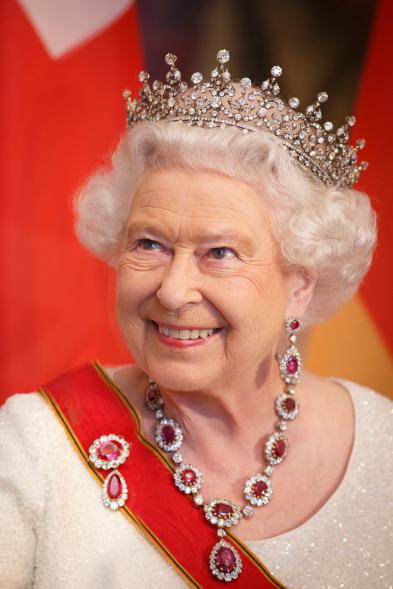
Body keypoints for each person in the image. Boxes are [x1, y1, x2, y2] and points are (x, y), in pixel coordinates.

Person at [0, 49, 392, 589]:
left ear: (300, 283)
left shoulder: (385, 449)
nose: (173, 289)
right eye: (150, 244)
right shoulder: (36, 446)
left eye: (220, 252)